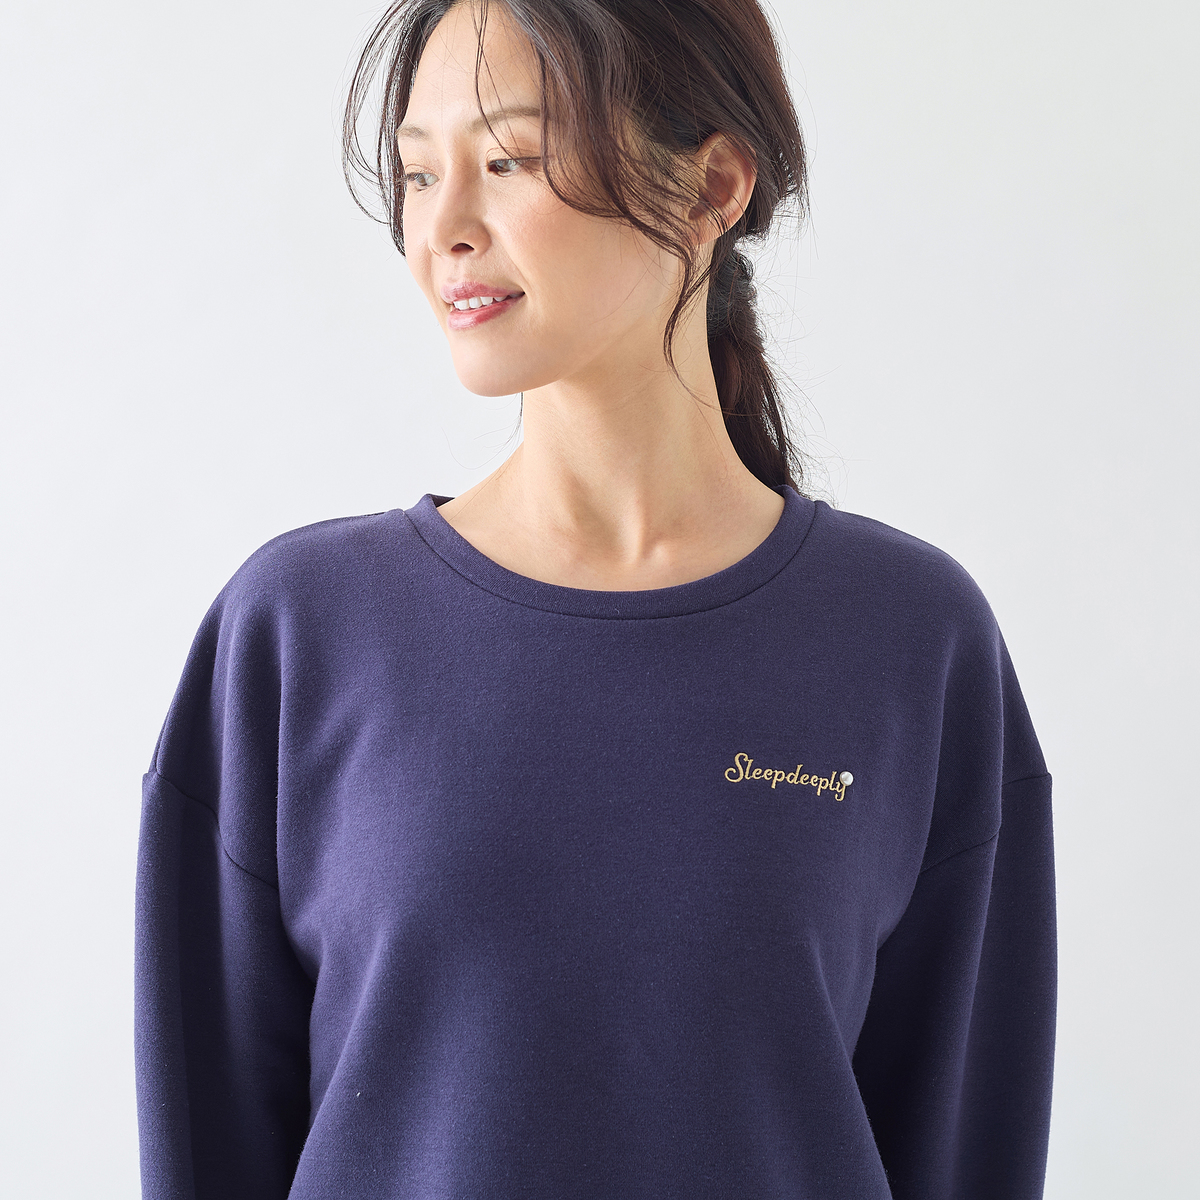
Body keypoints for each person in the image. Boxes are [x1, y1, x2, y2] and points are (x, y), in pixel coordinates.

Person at [133, 0, 1057, 1196]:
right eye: (419, 174)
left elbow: (964, 1146)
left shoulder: (910, 642)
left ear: (713, 186)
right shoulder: (297, 635)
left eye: (509, 160)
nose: (443, 230)